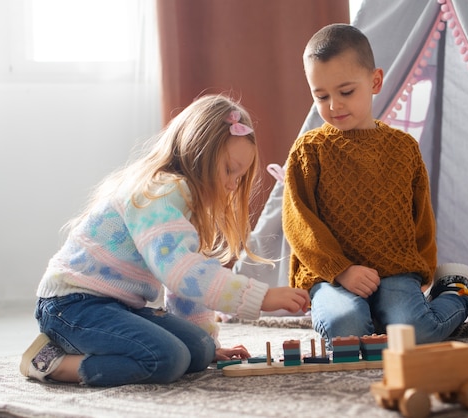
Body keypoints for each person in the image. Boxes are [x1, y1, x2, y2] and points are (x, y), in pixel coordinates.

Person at [20, 94, 310, 386]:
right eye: (228, 170)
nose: (233, 184)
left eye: (240, 176)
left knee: (199, 352)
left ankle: (183, 347)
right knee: (168, 359)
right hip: (71, 306)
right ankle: (51, 363)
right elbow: (182, 273)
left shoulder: (188, 203)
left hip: (118, 306)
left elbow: (185, 290)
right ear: (199, 153)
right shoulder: (161, 192)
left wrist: (209, 345)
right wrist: (260, 297)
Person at [282, 24, 468, 348]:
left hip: (395, 270)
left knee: (416, 331)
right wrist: (342, 271)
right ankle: (376, 319)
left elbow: (421, 218)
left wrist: (424, 273)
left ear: (375, 82)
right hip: (332, 276)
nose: (334, 105)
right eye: (321, 95)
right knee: (347, 326)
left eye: (346, 92)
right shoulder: (308, 150)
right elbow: (299, 223)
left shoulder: (403, 148)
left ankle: (455, 294)